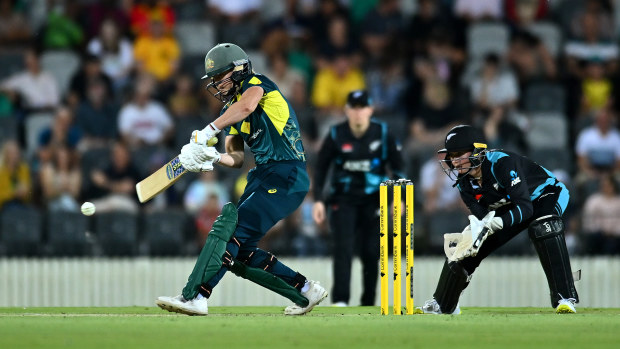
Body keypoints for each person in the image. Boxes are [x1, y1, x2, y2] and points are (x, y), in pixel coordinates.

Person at [156, 43, 327, 316]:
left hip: (287, 173)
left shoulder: (258, 84)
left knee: (229, 234)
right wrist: (210, 158)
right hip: (262, 175)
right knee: (242, 253)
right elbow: (234, 159)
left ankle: (196, 296)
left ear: (238, 70)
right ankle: (305, 289)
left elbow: (247, 106)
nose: (215, 84)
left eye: (219, 76)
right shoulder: (231, 111)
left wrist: (210, 127)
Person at [419, 125, 579, 314]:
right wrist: (474, 234)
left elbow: (526, 207)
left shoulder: (502, 163)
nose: (455, 162)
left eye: (460, 154)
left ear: (478, 151)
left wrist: (497, 222)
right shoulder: (464, 184)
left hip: (546, 193)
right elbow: (482, 217)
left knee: (544, 226)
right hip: (512, 204)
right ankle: (444, 303)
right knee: (464, 246)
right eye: (452, 156)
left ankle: (565, 298)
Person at [312, 89, 405, 307]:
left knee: (371, 252)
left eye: (362, 107)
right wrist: (318, 200)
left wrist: (397, 199)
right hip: (342, 200)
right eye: (353, 108)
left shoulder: (383, 133)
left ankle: (368, 302)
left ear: (371, 109)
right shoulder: (336, 134)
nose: (358, 113)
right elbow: (320, 169)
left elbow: (399, 168)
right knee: (342, 249)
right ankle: (340, 301)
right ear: (346, 110)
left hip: (375, 200)